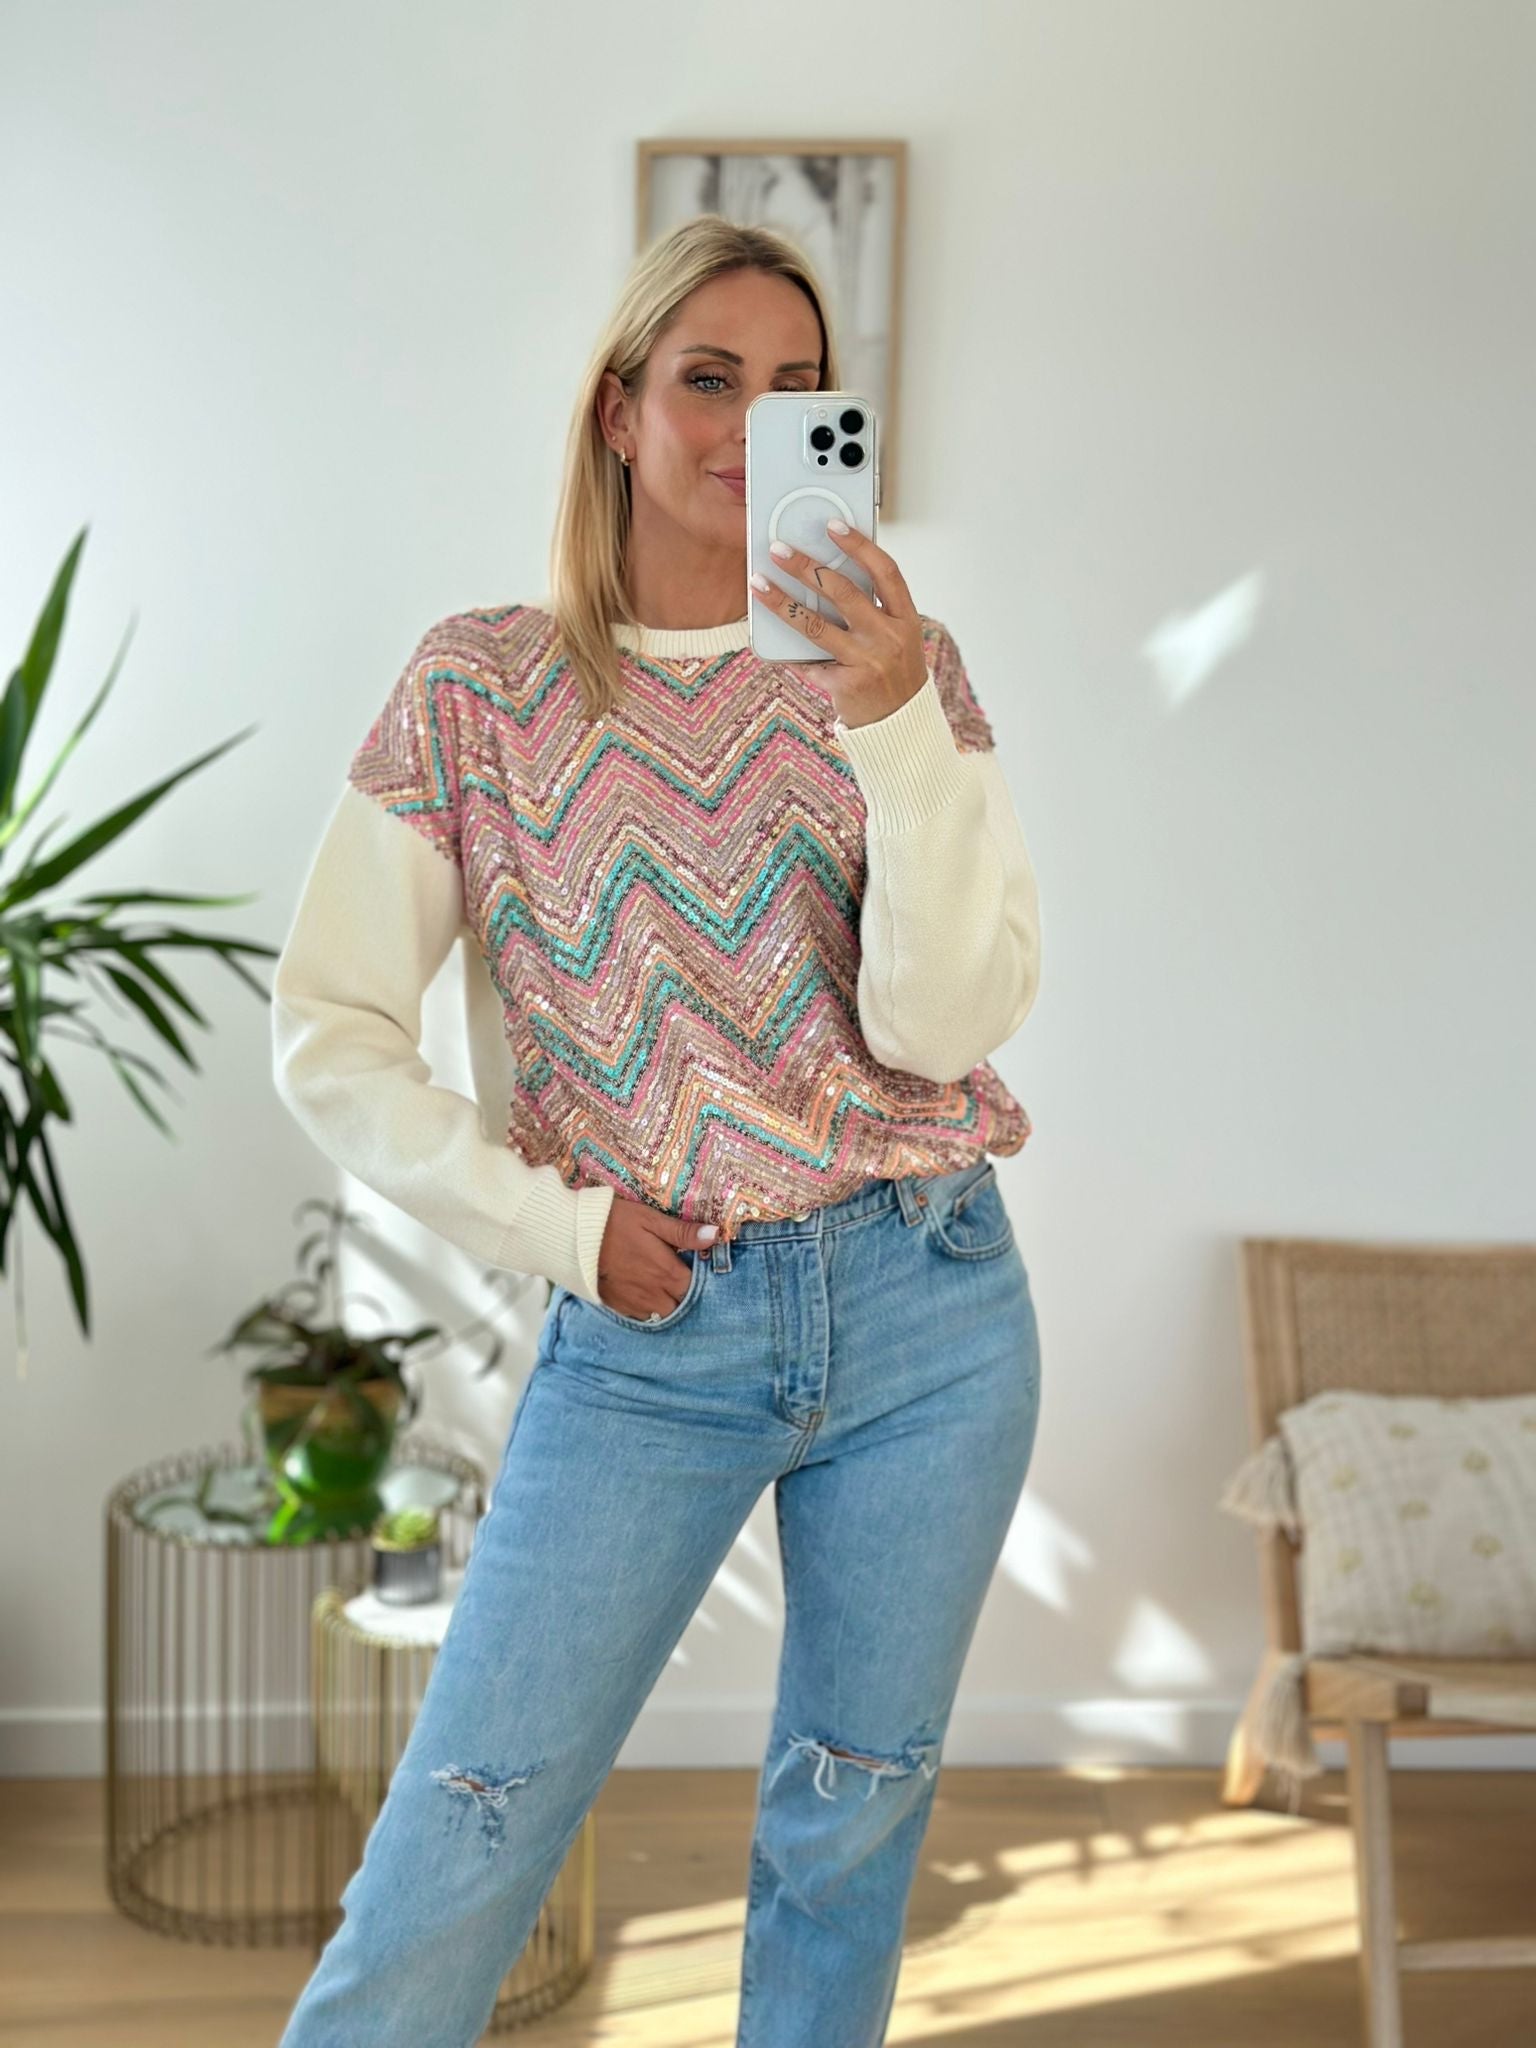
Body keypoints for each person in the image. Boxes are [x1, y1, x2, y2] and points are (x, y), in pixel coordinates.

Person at [271, 212, 1043, 2048]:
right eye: (710, 380)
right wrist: (556, 1231)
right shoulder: (478, 687)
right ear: (619, 412)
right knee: (469, 1827)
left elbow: (939, 1030)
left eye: (798, 389)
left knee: (849, 1831)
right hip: (653, 1324)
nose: (751, 426)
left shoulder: (900, 673)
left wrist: (892, 726)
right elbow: (331, 1033)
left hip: (932, 1306)